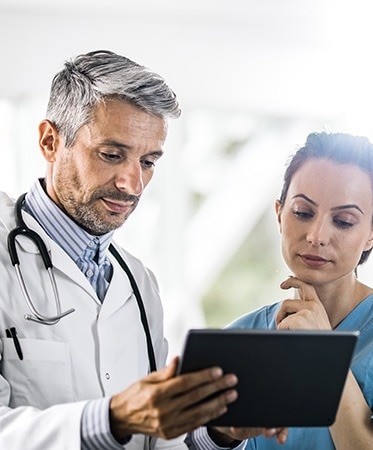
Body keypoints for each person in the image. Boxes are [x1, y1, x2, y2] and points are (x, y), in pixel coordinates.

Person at [0, 50, 276, 449]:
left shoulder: (137, 283)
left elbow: (157, 439)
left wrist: (218, 433)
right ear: (50, 141)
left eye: (148, 162)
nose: (133, 184)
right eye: (112, 155)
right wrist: (111, 420)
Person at [226, 131, 373, 449]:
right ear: (279, 213)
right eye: (303, 213)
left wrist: (324, 357)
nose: (317, 235)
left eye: (344, 221)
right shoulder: (241, 336)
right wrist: (222, 435)